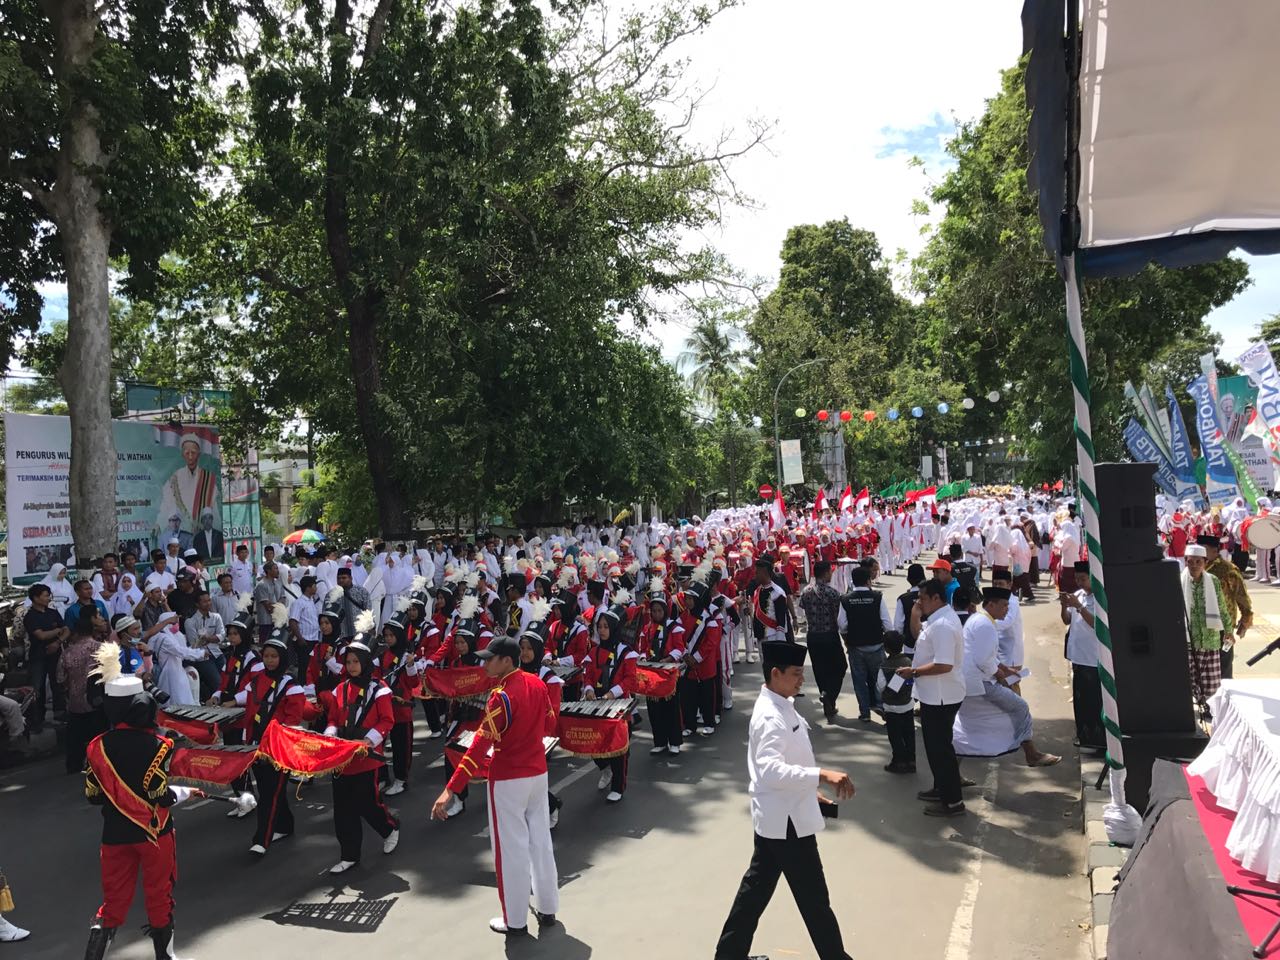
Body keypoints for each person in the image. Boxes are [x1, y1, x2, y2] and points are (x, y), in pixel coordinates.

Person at [714, 641, 856, 960]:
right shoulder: (769, 716)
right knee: (815, 900)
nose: (801, 680)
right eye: (795, 674)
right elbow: (770, 770)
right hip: (787, 824)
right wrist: (822, 775)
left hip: (782, 816)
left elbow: (788, 760)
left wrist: (809, 790)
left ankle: (729, 956)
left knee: (754, 894)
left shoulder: (781, 702)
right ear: (775, 674)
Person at [432, 635, 560, 938]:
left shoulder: (500, 697)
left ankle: (515, 920)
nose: (484, 662)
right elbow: (549, 724)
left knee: (511, 850)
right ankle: (548, 906)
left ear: (507, 661)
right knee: (540, 840)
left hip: (508, 779)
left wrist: (450, 789)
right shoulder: (538, 684)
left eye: (490, 658)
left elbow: (478, 748)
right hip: (538, 773)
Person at [82, 648, 202, 960]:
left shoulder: (96, 747)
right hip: (154, 833)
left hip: (114, 834)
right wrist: (183, 793)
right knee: (159, 897)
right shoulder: (160, 746)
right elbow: (160, 794)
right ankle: (165, 956)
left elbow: (93, 796)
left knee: (112, 903)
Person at [958, 587, 1060, 767]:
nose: (1007, 609)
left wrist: (1005, 669)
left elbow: (988, 656)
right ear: (990, 604)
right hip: (980, 683)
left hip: (972, 682)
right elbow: (983, 660)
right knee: (1021, 707)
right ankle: (1032, 754)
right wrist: (1000, 676)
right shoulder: (984, 624)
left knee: (972, 727)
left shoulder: (980, 620)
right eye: (1004, 605)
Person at [322, 640, 400, 874]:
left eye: (356, 662)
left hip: (366, 756)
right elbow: (333, 719)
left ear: (365, 663)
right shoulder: (341, 689)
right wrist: (330, 735)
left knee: (367, 803)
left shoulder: (380, 689)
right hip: (343, 757)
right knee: (343, 808)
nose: (352, 666)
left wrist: (369, 741)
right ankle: (349, 854)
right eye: (348, 662)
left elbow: (387, 720)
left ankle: (389, 829)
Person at [236, 631, 312, 856]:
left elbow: (293, 721)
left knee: (270, 794)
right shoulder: (256, 680)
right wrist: (247, 741)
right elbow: (249, 712)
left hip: (279, 749)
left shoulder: (292, 686)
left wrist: (277, 744)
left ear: (283, 658)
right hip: (257, 746)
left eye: (274, 656)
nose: (269, 660)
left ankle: (262, 839)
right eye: (266, 656)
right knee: (272, 792)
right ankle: (286, 826)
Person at [898, 579, 967, 817]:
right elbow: (921, 637)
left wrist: (914, 672)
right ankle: (942, 789)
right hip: (934, 695)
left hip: (941, 696)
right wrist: (915, 615)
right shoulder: (938, 620)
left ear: (936, 598)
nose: (919, 602)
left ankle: (953, 802)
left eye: (923, 598)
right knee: (935, 748)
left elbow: (944, 664)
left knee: (940, 750)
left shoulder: (944, 625)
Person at [1182, 544, 1235, 716]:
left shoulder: (1212, 581)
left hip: (1210, 639)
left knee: (1211, 682)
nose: (1195, 565)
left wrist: (1228, 630)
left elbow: (1221, 607)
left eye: (1199, 562)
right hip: (1189, 640)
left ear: (1205, 562)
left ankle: (1210, 710)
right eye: (1191, 562)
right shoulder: (1178, 581)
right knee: (1188, 680)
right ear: (1186, 562)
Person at [837, 565, 893, 722]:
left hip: (856, 646)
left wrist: (847, 639)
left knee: (859, 679)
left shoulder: (845, 599)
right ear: (868, 581)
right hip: (876, 645)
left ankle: (865, 712)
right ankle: (881, 705)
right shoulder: (877, 597)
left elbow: (842, 624)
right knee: (879, 679)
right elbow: (887, 624)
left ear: (853, 581)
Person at [1061, 560, 1104, 750]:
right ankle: (1084, 735)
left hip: (1092, 658)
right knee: (1080, 700)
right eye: (1077, 578)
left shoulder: (1100, 600)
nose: (1079, 582)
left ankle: (1096, 738)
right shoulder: (1077, 596)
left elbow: (1096, 625)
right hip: (1078, 656)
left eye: (1083, 579)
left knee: (1093, 700)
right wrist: (1064, 606)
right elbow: (1067, 620)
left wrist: (1079, 606)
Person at [57, 608, 107, 774]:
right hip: (98, 699)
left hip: (75, 701)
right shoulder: (101, 648)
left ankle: (74, 765)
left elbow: (60, 678)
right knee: (99, 735)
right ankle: (99, 764)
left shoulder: (68, 653)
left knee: (75, 738)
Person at [799, 561, 846, 723]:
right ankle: (830, 696)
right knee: (840, 667)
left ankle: (826, 695)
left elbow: (803, 608)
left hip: (813, 635)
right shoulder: (833, 593)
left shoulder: (806, 591)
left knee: (820, 669)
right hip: (830, 635)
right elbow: (839, 616)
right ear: (826, 573)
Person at [156, 433, 219, 547]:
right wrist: (159, 524)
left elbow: (214, 509)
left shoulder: (208, 478)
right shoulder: (174, 477)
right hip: (182, 530)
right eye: (187, 452)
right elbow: (166, 504)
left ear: (198, 454)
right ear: (182, 454)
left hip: (201, 530)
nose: (190, 456)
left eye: (193, 452)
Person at [1203, 533, 1251, 682]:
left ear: (1214, 550)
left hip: (1224, 625)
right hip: (1202, 625)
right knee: (1205, 666)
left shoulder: (1228, 569)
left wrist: (1245, 619)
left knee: (1224, 665)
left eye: (1204, 550)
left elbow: (1241, 596)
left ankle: (1226, 694)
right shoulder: (1196, 567)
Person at [23, 583, 69, 733]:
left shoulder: (52, 612)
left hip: (55, 653)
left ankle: (60, 713)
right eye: (45, 595)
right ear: (36, 598)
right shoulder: (30, 616)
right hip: (38, 656)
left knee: (58, 684)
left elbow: (66, 629)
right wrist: (57, 630)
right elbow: (40, 635)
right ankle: (37, 718)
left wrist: (58, 642)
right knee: (37, 688)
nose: (48, 598)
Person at [875, 631, 915, 773]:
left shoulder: (884, 666)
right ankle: (911, 761)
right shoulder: (909, 663)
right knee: (909, 734)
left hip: (891, 707)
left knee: (895, 736)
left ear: (886, 648)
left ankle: (898, 762)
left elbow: (881, 687)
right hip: (908, 704)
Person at [253, 561, 286, 643]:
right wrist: (279, 608)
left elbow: (283, 598)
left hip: (278, 621)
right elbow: (267, 606)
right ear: (268, 571)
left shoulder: (278, 583)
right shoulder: (261, 585)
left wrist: (279, 608)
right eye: (275, 568)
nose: (278, 571)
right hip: (266, 622)